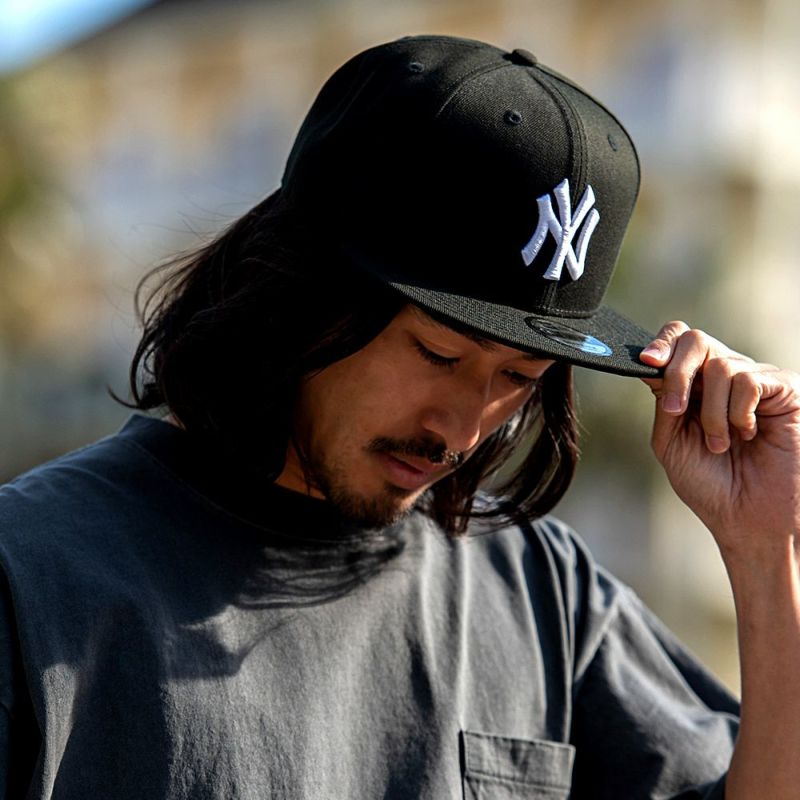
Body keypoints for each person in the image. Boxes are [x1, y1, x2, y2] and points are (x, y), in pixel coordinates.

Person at [1, 33, 798, 800]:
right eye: (438, 354)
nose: (462, 430)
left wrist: (768, 551)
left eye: (519, 376)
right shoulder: (31, 575)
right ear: (299, 294)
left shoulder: (543, 593)